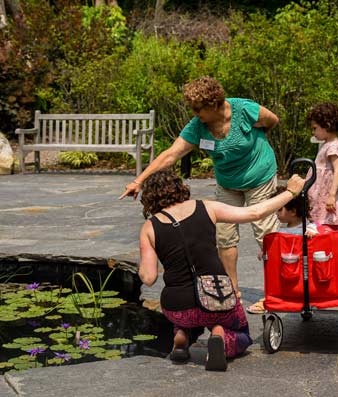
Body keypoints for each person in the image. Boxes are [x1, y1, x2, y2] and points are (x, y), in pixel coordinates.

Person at [121, 76, 282, 299]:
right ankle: (232, 291)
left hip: (260, 175)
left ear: (214, 104)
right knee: (225, 236)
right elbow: (171, 154)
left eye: (198, 109)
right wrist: (139, 180)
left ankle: (274, 293)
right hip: (228, 182)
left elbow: (272, 120)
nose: (195, 113)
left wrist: (258, 141)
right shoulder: (198, 126)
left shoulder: (244, 109)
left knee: (265, 233)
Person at [138, 169, 305, 371]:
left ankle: (182, 335)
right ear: (179, 187)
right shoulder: (206, 207)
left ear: (149, 199)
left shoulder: (149, 227)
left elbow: (148, 278)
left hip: (178, 308)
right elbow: (255, 212)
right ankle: (221, 336)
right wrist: (290, 193)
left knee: (188, 315)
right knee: (241, 332)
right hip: (218, 300)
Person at [246, 194, 319, 314]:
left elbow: (315, 231)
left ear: (293, 211)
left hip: (303, 269)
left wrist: (311, 233)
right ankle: (271, 297)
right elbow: (277, 245)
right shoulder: (282, 229)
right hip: (288, 266)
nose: (276, 213)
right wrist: (265, 251)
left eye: (280, 210)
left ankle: (269, 300)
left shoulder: (307, 226)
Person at [306, 103, 338, 230]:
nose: (313, 132)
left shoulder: (333, 146)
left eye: (315, 128)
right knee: (320, 222)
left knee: (330, 222)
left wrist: (332, 195)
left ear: (327, 125)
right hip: (321, 193)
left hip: (328, 194)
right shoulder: (327, 144)